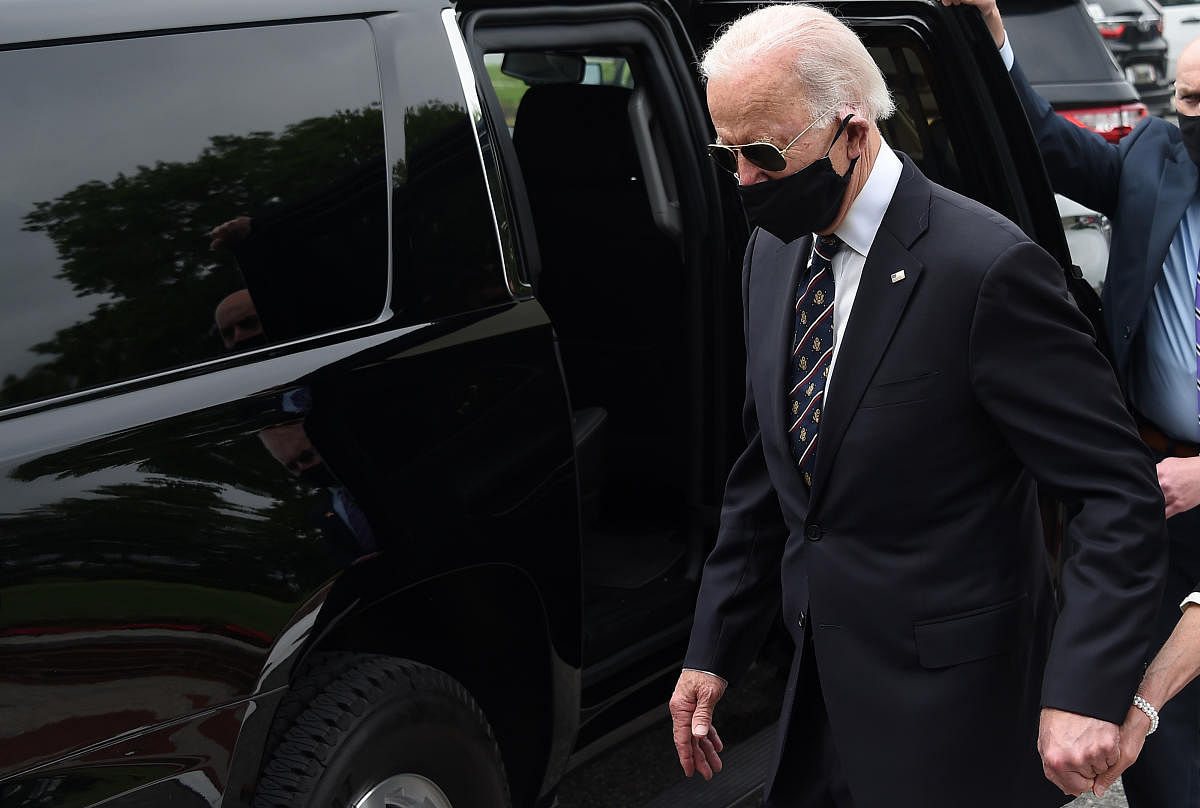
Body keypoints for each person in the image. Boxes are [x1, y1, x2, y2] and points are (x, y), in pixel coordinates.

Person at [667, 5, 1167, 807]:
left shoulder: (986, 270)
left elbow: (1114, 492)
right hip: (820, 695)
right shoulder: (772, 250)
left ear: (853, 133)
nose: (744, 182)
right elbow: (771, 466)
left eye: (763, 154)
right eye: (727, 153)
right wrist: (714, 647)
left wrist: (1082, 687)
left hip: (958, 719)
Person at [942, 2, 1200, 804]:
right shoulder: (1160, 151)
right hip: (1157, 481)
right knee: (1156, 704)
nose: (1192, 121)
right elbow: (1050, 147)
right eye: (1188, 102)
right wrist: (991, 41)